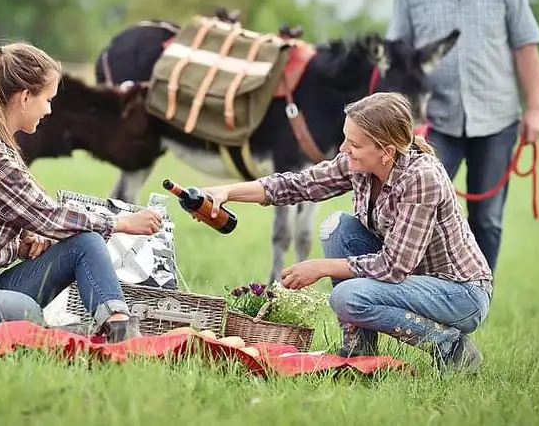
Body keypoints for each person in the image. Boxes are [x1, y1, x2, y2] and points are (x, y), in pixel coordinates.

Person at [199, 92, 493, 373]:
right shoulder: (361, 163)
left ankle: (451, 348)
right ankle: (358, 350)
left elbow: (394, 266)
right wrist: (227, 192)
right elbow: (297, 185)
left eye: (353, 143)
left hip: (459, 294)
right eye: (345, 139)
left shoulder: (421, 177)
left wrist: (320, 267)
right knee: (338, 227)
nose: (343, 149)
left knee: (347, 297)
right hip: (413, 281)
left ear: (386, 151)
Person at [0, 41, 163, 343]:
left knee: (85, 242)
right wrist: (121, 222)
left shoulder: (1, 148)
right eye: (48, 99)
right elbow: (47, 216)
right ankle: (81, 333)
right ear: (25, 97)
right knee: (24, 312)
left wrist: (20, 244)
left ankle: (120, 329)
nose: (50, 110)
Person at [385, 0, 539, 272]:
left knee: (486, 219)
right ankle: (422, 295)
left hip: (497, 120)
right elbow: (398, 56)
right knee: (417, 208)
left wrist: (535, 109)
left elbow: (526, 49)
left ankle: (478, 297)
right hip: (434, 123)